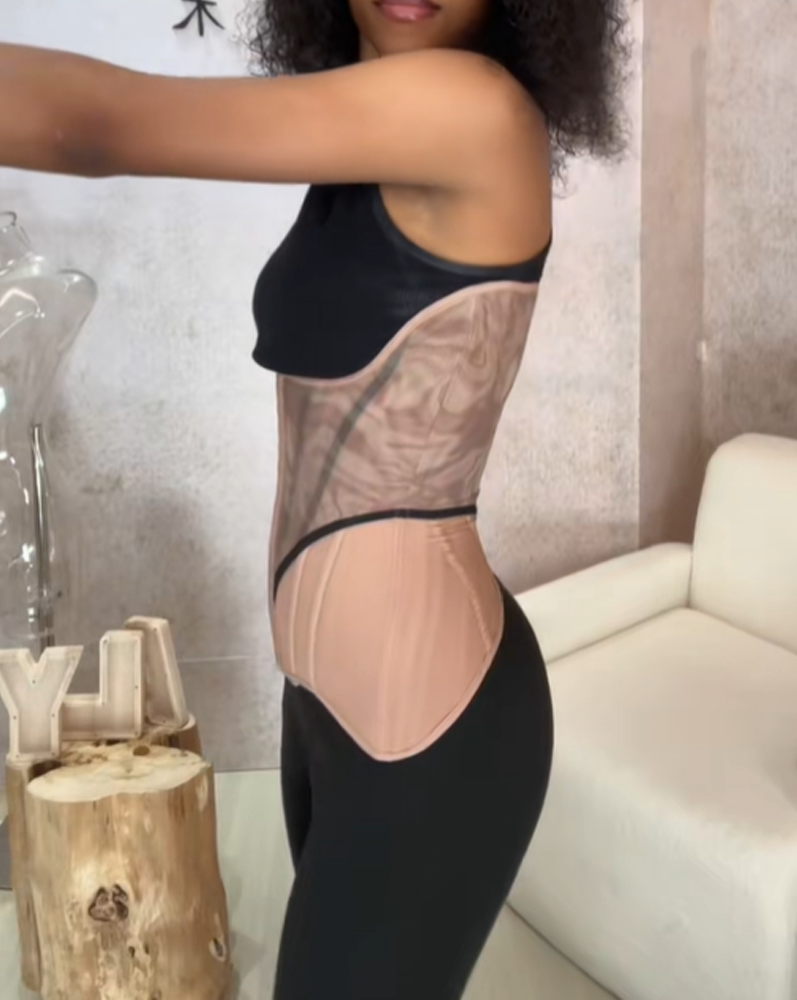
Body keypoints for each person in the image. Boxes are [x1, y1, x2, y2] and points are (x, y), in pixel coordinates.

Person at [1, 2, 629, 996]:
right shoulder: (374, 136)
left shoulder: (467, 106)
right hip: (332, 702)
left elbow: (98, 125)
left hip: (429, 719)